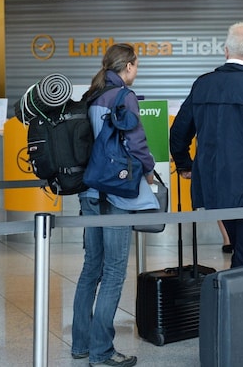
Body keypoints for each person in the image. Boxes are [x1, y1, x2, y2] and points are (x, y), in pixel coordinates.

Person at [170, 22, 243, 268]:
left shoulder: (203, 84)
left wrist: (184, 164)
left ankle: (230, 302)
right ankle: (240, 305)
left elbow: (178, 133)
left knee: (241, 251)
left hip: (212, 189)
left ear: (226, 51)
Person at [72, 43, 159, 367]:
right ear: (129, 66)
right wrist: (149, 171)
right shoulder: (123, 97)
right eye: (138, 65)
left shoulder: (92, 95)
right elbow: (136, 142)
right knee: (113, 273)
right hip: (117, 195)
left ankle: (81, 344)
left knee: (91, 269)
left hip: (90, 192)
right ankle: (102, 352)